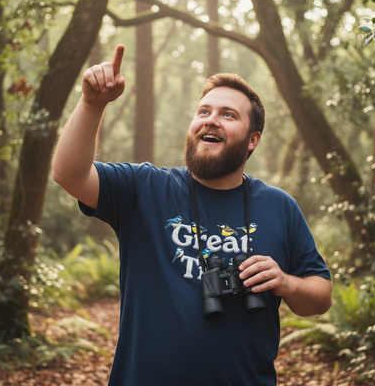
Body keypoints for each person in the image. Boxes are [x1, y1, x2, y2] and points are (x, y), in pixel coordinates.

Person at [52, 44, 332, 386]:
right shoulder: (145, 187)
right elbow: (69, 174)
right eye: (203, 111)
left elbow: (320, 296)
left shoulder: (280, 206)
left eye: (228, 114)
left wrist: (286, 282)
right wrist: (91, 105)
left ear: (252, 139)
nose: (211, 119)